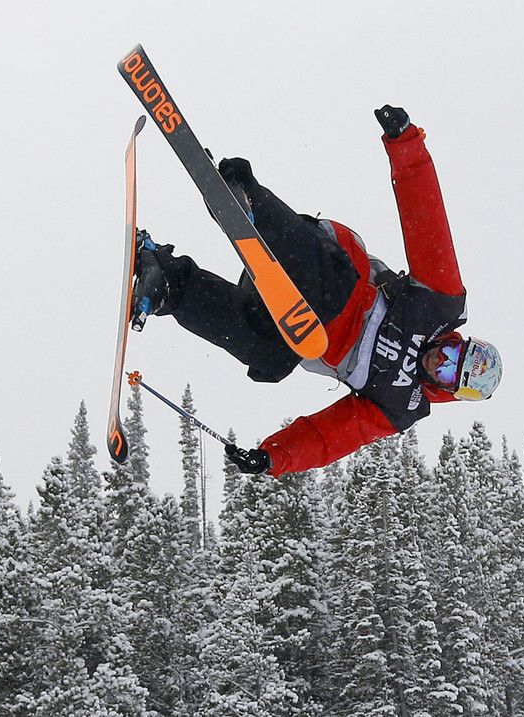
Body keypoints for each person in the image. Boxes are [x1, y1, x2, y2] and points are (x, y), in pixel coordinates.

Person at [132, 105, 502, 477]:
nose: (441, 362)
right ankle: (247, 200)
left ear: (450, 392)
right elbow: (427, 221)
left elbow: (333, 436)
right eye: (453, 354)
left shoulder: (400, 405)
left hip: (296, 320)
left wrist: (274, 457)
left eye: (450, 374)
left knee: (271, 360)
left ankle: (167, 282)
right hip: (332, 269)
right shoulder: (441, 304)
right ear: (458, 341)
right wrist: (405, 143)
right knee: (330, 293)